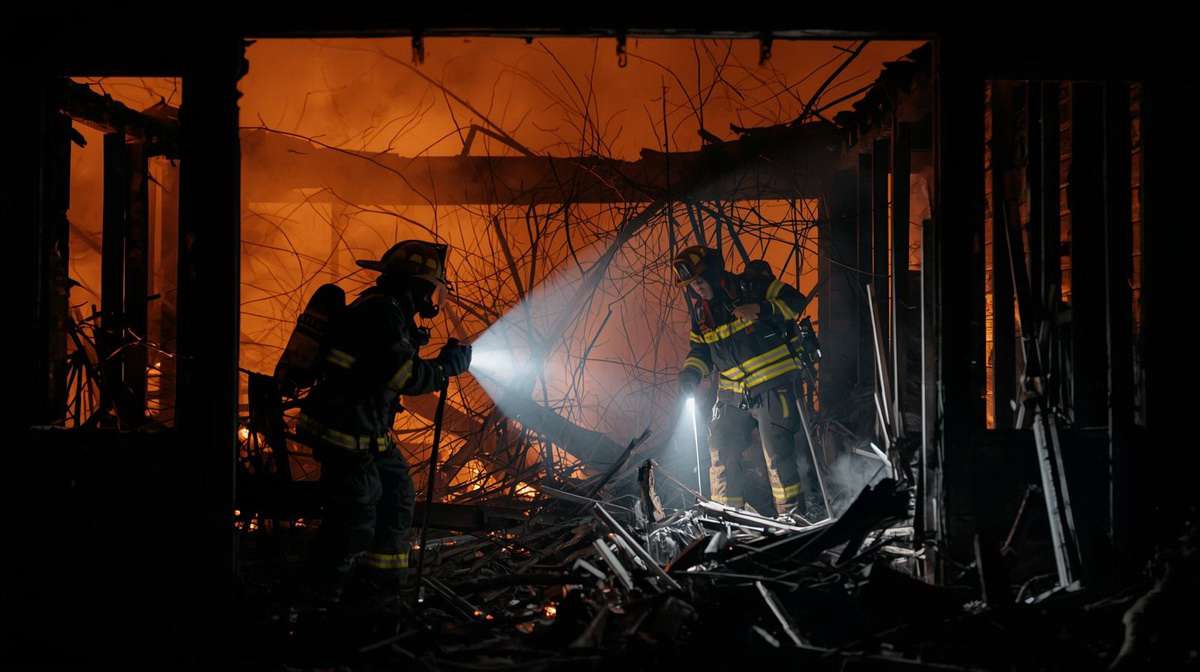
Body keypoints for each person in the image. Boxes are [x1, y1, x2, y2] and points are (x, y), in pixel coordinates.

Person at [296, 240, 471, 601]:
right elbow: (402, 375)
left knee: (397, 496)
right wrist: (442, 368)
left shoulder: (390, 311)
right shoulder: (381, 314)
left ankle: (382, 587)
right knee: (356, 513)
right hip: (344, 430)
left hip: (368, 429)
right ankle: (321, 596)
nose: (432, 298)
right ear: (417, 286)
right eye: (431, 287)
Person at [673, 246, 820, 518]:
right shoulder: (702, 314)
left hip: (772, 386)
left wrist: (762, 308)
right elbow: (701, 351)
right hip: (732, 393)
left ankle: (792, 520)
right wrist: (691, 373)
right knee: (721, 451)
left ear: (715, 274)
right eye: (693, 285)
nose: (697, 289)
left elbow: (795, 300)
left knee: (777, 456)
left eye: (700, 281)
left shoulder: (754, 286)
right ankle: (726, 520)